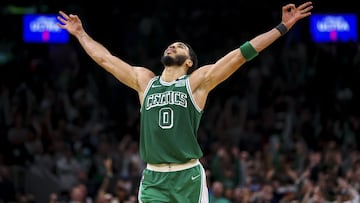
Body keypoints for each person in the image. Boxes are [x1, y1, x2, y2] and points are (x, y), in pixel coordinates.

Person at [57, 2, 313, 202]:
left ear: (189, 61)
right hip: (154, 177)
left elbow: (240, 55)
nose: (172, 47)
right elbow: (106, 59)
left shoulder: (196, 83)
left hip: (187, 176)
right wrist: (80, 34)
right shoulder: (145, 81)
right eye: (170, 45)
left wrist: (282, 27)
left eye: (179, 47)